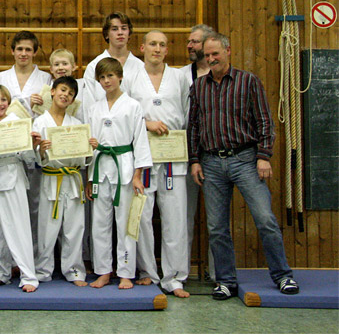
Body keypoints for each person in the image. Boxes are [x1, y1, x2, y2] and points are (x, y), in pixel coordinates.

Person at [187, 33, 299, 300]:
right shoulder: (199, 86)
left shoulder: (248, 81)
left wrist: (264, 156)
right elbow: (194, 127)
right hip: (211, 162)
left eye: (216, 53)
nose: (211, 59)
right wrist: (194, 161)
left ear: (228, 51)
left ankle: (283, 276)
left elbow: (264, 121)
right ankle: (226, 281)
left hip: (246, 160)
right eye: (207, 55)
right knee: (216, 227)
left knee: (265, 219)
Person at [124, 30, 191, 297]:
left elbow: (187, 114)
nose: (157, 49)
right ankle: (148, 272)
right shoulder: (130, 78)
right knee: (142, 217)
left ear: (167, 49)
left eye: (162, 45)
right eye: (152, 44)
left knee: (175, 217)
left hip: (173, 154)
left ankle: (174, 277)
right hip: (143, 155)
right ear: (142, 47)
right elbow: (124, 116)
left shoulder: (179, 77)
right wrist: (145, 123)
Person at [86, 57, 153, 289]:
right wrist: (89, 177)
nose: (106, 81)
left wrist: (137, 175)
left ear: (120, 77)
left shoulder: (133, 106)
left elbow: (140, 142)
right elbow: (89, 144)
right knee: (99, 224)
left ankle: (126, 272)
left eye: (110, 76)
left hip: (124, 168)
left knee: (125, 224)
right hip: (100, 168)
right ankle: (103, 272)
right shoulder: (94, 108)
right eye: (102, 77)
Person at [0, 85, 40, 292]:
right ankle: (1, 272)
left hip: (13, 175)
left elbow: (29, 159)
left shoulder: (17, 123)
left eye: (3, 100)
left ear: (8, 103)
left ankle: (28, 275)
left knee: (18, 226)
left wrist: (30, 144)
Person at [0, 31, 52, 246]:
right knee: (9, 205)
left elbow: (49, 109)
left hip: (34, 141)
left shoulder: (45, 78)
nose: (24, 53)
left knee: (35, 201)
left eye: (28, 49)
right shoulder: (1, 78)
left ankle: (33, 253)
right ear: (12, 51)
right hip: (8, 144)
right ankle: (9, 259)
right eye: (19, 49)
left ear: (35, 52)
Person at [33, 76, 90, 286]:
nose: (65, 95)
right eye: (63, 90)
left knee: (75, 228)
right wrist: (39, 149)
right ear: (53, 92)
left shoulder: (76, 124)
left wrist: (89, 147)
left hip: (73, 179)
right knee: (47, 228)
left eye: (71, 93)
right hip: (50, 178)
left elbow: (84, 160)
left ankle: (74, 270)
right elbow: (32, 159)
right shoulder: (39, 122)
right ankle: (43, 270)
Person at [179, 24, 216, 280]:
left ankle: (218, 273)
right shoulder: (181, 75)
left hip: (215, 153)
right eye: (189, 41)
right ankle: (181, 273)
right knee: (184, 217)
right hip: (187, 154)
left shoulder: (221, 73)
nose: (190, 46)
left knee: (217, 219)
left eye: (195, 41)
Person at [83, 12, 144, 103]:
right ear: (107, 34)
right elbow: (89, 103)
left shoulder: (140, 67)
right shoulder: (94, 66)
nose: (120, 33)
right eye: (114, 29)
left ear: (129, 33)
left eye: (124, 28)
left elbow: (144, 101)